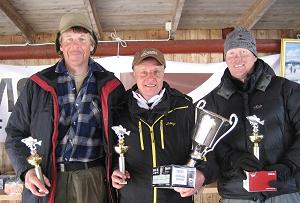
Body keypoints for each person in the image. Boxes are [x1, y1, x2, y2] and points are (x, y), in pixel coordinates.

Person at [5, 12, 125, 203]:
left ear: (92, 45)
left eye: (82, 39)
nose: (75, 45)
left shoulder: (111, 86)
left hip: (92, 179)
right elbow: (14, 133)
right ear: (60, 46)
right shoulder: (38, 84)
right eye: (68, 39)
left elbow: (124, 136)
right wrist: (26, 172)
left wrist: (118, 170)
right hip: (47, 180)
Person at [201, 26, 300, 202]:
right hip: (236, 193)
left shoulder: (286, 90)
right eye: (231, 53)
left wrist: (289, 166)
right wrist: (232, 159)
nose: (237, 58)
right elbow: (209, 146)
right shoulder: (213, 100)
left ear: (255, 55)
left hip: (284, 190)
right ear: (225, 58)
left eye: (243, 52)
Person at [111, 48, 218, 203]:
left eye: (156, 71)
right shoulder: (118, 109)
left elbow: (207, 151)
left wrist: (202, 175)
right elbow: (108, 153)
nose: (150, 77)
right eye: (143, 72)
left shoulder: (184, 107)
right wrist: (114, 171)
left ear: (163, 73)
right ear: (133, 73)